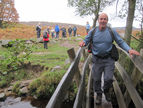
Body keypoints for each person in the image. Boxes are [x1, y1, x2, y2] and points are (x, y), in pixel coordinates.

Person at [79, 13, 140, 105]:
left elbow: (120, 42)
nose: (103, 21)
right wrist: (83, 42)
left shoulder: (111, 31)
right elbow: (86, 40)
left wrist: (129, 50)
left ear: (107, 21)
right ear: (98, 20)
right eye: (101, 19)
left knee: (108, 79)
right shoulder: (93, 31)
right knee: (96, 79)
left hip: (109, 59)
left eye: (105, 19)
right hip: (96, 59)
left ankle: (106, 91)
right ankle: (99, 95)